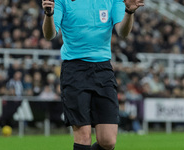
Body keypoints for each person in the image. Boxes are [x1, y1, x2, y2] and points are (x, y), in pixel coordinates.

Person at [42, 0, 144, 149]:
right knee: (83, 137)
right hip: (74, 69)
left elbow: (123, 32)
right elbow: (49, 35)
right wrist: (49, 14)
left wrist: (129, 12)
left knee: (108, 141)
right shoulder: (61, 1)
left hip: (103, 69)